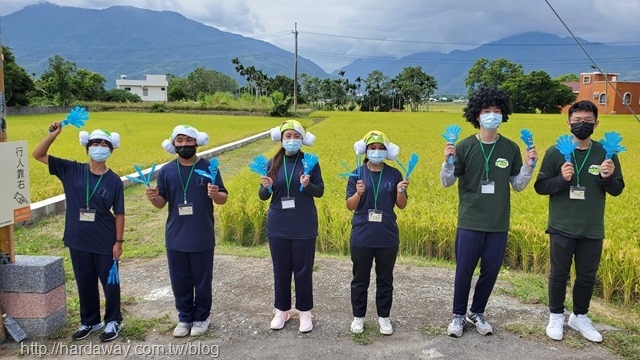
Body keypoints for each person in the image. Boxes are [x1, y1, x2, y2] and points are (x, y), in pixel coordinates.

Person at [440, 85, 537, 338]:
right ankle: (458, 315)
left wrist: (528, 166)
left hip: (498, 223)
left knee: (490, 271)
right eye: (486, 110)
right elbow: (447, 181)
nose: (491, 115)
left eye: (496, 110)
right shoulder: (463, 146)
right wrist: (447, 162)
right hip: (470, 220)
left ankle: (477, 312)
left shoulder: (511, 148)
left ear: (503, 114)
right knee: (464, 271)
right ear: (477, 115)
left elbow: (517, 185)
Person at [534, 100, 624, 343]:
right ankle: (555, 315)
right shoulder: (556, 152)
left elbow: (617, 189)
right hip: (561, 225)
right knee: (559, 274)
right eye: (577, 121)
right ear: (568, 123)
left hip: (592, 227)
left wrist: (606, 178)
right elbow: (541, 187)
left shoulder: (606, 153)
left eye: (587, 121)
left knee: (587, 276)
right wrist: (562, 180)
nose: (582, 125)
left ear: (596, 123)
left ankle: (580, 316)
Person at [33, 124, 125, 342]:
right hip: (77, 238)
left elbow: (119, 213)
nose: (100, 147)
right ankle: (90, 321)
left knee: (110, 282)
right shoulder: (70, 169)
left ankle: (113, 320)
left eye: (104, 144)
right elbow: (38, 154)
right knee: (84, 281)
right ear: (87, 147)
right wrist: (53, 135)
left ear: (111, 150)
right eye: (95, 143)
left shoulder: (114, 180)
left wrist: (118, 241)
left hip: (105, 239)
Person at [145, 125, 228, 337]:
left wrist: (215, 193)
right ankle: (184, 318)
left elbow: (223, 199)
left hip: (202, 234)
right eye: (179, 141)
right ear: (173, 144)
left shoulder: (210, 167)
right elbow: (161, 203)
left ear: (197, 142)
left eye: (188, 140)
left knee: (202, 280)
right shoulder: (166, 171)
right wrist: (153, 197)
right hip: (175, 236)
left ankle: (201, 317)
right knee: (180, 280)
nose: (184, 145)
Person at [258, 120, 324, 333]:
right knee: (281, 270)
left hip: (304, 225)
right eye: (288, 136)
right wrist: (265, 187)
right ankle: (282, 310)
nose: (292, 140)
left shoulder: (310, 162)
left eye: (296, 136)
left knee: (303, 271)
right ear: (281, 139)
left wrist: (307, 184)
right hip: (278, 225)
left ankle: (305, 312)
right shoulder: (272, 163)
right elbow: (263, 196)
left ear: (302, 139)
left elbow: (320, 191)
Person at [346, 131, 409, 336]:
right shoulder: (356, 174)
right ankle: (359, 317)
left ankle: (384, 317)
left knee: (385, 279)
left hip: (387, 237)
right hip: (362, 236)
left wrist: (400, 191)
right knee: (360, 279)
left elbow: (402, 205)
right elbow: (349, 205)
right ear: (365, 151)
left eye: (380, 148)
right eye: (372, 148)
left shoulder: (394, 175)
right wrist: (359, 192)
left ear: (386, 151)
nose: (376, 152)